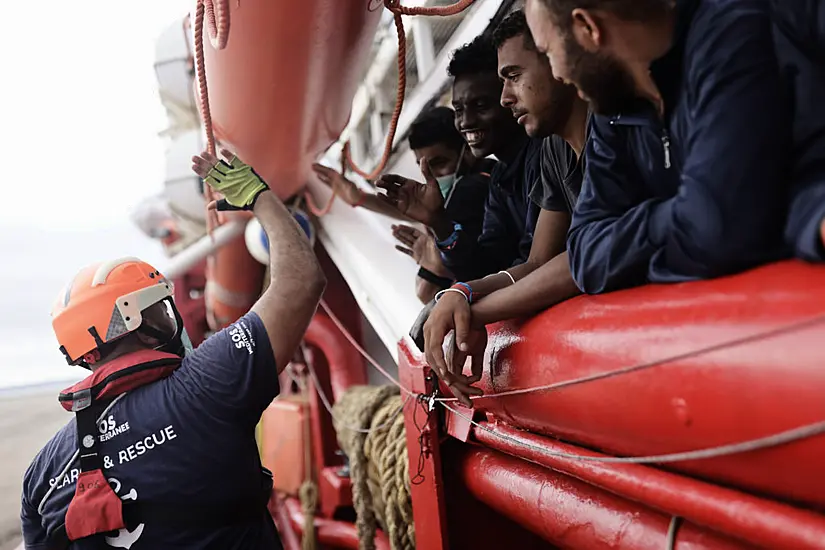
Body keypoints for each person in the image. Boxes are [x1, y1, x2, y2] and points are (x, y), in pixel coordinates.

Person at [20, 150, 326, 549]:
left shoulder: (41, 475)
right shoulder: (208, 382)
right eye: (162, 311)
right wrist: (259, 197)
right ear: (142, 322)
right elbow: (301, 282)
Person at [524, 0, 796, 294]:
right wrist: (677, 218)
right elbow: (584, 258)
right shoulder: (613, 108)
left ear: (589, 27)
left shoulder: (730, 37)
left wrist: (637, 261)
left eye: (548, 52)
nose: (556, 74)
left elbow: (718, 230)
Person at [420, 10, 591, 406]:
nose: (505, 97)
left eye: (512, 77)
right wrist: (462, 292)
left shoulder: (610, 129)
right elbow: (535, 263)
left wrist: (474, 306)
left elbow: (586, 256)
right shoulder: (545, 154)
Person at [378, 33, 541, 288]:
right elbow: (486, 267)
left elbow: (536, 264)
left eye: (480, 105)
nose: (465, 122)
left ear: (510, 97)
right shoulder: (501, 178)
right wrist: (439, 222)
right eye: (459, 110)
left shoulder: (545, 157)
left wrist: (462, 294)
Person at [313, 106, 494, 303]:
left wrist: (433, 265)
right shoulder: (489, 175)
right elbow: (423, 210)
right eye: (424, 167)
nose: (431, 176)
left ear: (466, 151)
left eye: (439, 163)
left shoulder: (469, 191)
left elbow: (426, 293)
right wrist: (360, 199)